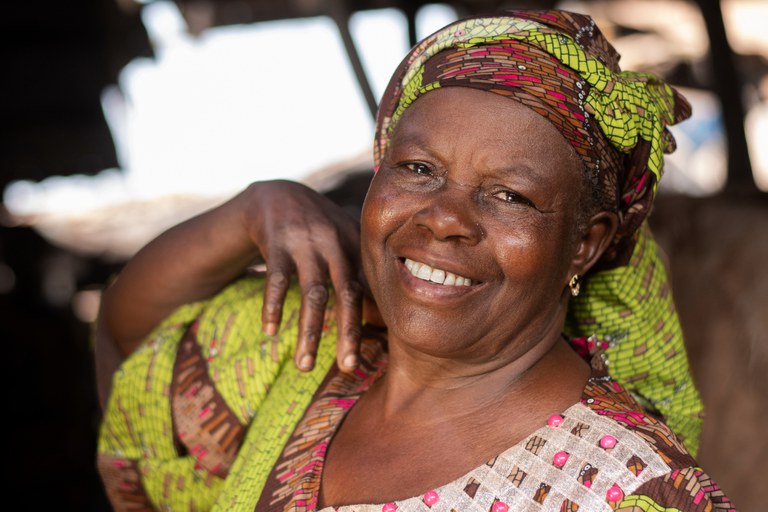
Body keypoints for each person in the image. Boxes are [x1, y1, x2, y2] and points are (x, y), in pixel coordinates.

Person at [94, 9, 736, 511]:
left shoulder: (628, 489)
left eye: (509, 195)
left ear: (586, 242)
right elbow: (136, 338)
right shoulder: (314, 355)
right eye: (418, 168)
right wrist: (254, 209)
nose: (445, 218)